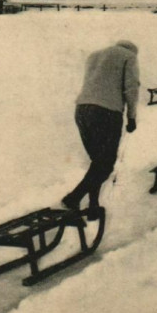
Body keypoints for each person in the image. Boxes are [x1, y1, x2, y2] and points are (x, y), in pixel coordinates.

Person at [62, 40, 140, 218]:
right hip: (107, 113)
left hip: (82, 110)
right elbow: (131, 88)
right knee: (105, 165)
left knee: (98, 162)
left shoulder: (95, 55)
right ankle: (73, 198)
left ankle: (93, 205)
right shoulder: (129, 57)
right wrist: (131, 117)